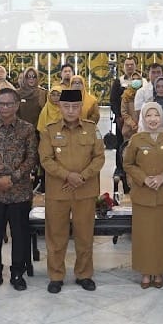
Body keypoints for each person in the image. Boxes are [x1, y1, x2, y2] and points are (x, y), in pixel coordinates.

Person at [38, 88, 105, 293]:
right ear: (59, 106)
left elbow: (99, 157)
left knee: (84, 236)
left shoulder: (92, 129)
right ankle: (56, 276)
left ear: (81, 107)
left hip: (85, 190)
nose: (70, 110)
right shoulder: (49, 130)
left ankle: (84, 274)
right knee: (56, 236)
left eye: (75, 106)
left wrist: (82, 176)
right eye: (66, 106)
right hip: (58, 191)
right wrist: (68, 176)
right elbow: (45, 159)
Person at [0, 87, 38, 291]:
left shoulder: (27, 129)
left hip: (19, 192)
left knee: (20, 235)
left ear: (17, 105)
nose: (5, 107)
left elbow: (31, 158)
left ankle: (17, 273)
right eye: (1, 104)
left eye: (9, 104)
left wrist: (12, 178)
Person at [124, 101, 163, 289]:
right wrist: (143, 178)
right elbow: (128, 164)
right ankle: (145, 272)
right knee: (144, 236)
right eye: (148, 115)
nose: (153, 119)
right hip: (143, 195)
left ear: (162, 117)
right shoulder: (136, 139)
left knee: (162, 235)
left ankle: (159, 271)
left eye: (156, 115)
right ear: (143, 118)